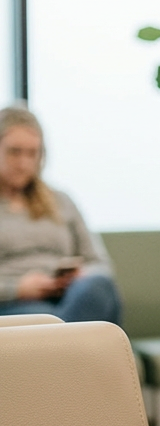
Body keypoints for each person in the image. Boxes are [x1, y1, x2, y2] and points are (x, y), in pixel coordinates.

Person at [0, 106, 121, 323]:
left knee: (98, 287)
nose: (24, 163)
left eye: (32, 153)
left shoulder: (61, 201)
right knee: (47, 320)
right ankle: (71, 342)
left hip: (71, 298)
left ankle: (64, 340)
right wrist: (16, 288)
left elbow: (100, 264)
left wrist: (78, 277)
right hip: (13, 305)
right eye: (14, 152)